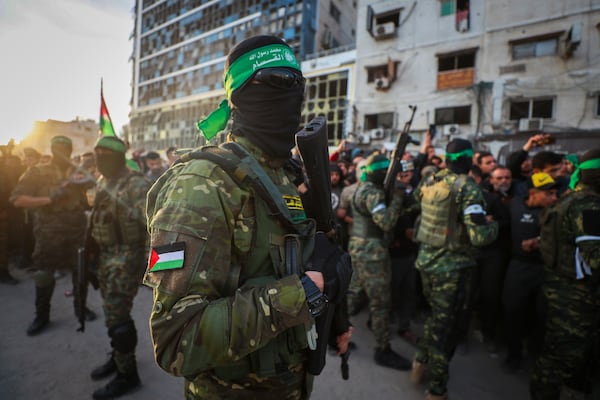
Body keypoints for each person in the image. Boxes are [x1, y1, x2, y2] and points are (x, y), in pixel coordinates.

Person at [142, 35, 353, 399]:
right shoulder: (200, 185)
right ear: (238, 95)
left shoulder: (284, 175)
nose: (292, 93)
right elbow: (175, 339)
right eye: (277, 81)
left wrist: (336, 317)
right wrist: (301, 293)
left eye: (297, 83)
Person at [410, 138, 498, 400]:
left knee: (436, 319)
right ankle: (437, 389)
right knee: (445, 330)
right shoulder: (468, 189)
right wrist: (493, 225)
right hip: (453, 269)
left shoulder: (429, 180)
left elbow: (416, 205)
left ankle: (420, 362)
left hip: (426, 262)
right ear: (468, 159)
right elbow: (480, 237)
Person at [530, 149, 600, 400]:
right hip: (574, 297)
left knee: (555, 354)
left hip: (559, 288)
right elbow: (596, 256)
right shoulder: (590, 206)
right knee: (561, 358)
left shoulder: (569, 199)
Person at [10, 135, 96, 336]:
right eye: (58, 148)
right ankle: (42, 315)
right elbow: (17, 199)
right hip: (49, 232)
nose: (62, 152)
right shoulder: (37, 171)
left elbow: (91, 192)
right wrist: (49, 199)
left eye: (66, 148)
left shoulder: (76, 172)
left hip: (76, 231)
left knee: (80, 272)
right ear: (52, 149)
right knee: (44, 275)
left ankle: (80, 308)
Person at [88, 136, 151, 399]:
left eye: (106, 154)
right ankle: (119, 357)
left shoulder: (136, 184)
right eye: (97, 153)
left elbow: (153, 226)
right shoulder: (104, 180)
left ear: (118, 156)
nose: (100, 158)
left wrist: (151, 268)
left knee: (117, 317)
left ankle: (128, 375)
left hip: (127, 256)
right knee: (113, 312)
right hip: (106, 256)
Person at [347, 152, 412, 370]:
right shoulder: (373, 193)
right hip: (372, 252)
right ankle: (382, 349)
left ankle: (333, 334)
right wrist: (397, 198)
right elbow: (386, 222)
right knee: (380, 302)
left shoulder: (362, 188)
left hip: (359, 247)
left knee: (354, 293)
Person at [502, 172, 558, 372]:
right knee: (512, 310)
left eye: (555, 193)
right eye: (548, 194)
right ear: (533, 193)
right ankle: (513, 354)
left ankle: (537, 353)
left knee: (543, 314)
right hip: (519, 266)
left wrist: (540, 242)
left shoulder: (556, 211)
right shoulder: (515, 204)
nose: (554, 198)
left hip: (545, 269)